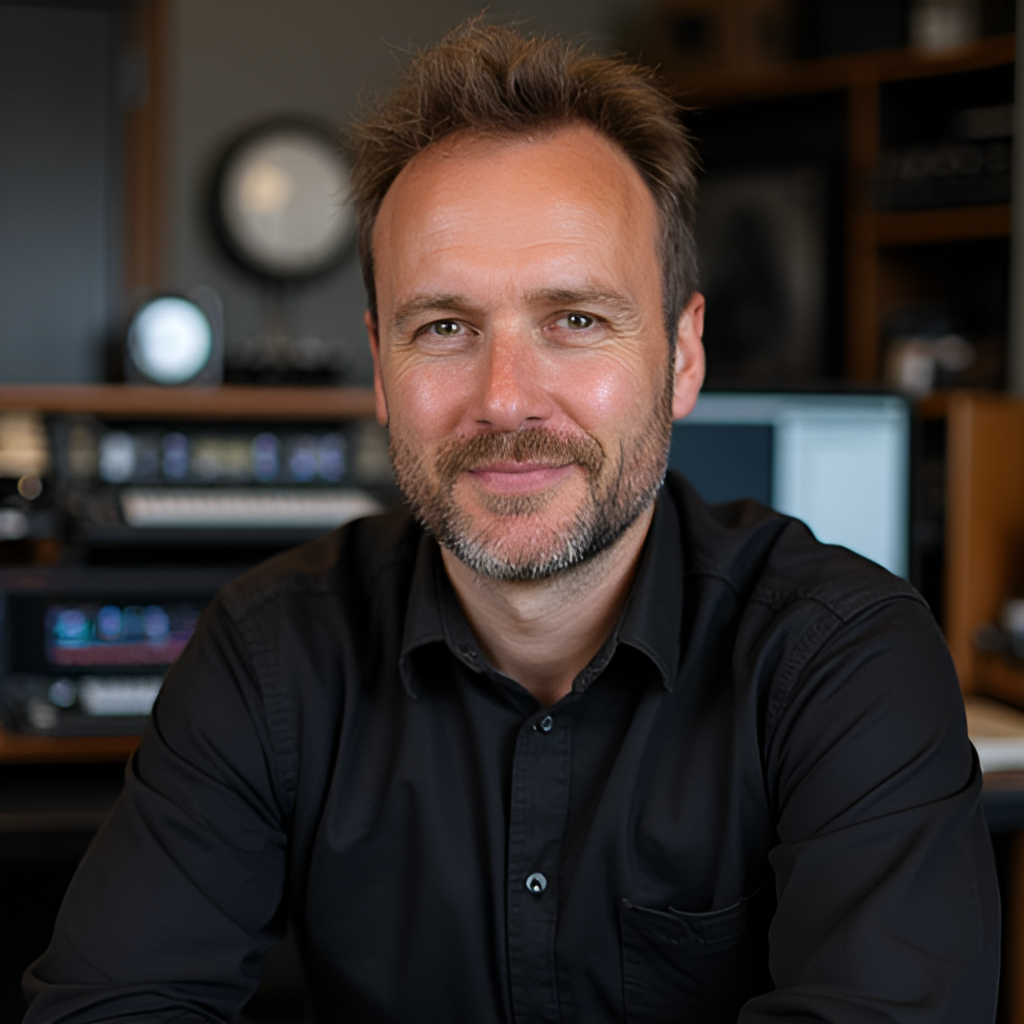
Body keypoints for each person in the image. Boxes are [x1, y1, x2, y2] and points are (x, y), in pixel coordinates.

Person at [25, 20, 998, 1024]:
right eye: (444, 326)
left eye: (574, 319)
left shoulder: (843, 656)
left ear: (682, 354)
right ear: (379, 367)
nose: (505, 399)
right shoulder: (269, 654)